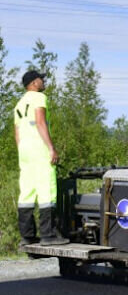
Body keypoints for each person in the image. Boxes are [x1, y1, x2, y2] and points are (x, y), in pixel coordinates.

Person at [15, 70, 67, 247]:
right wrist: (51, 148)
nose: (43, 81)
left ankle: (27, 236)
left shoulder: (19, 104)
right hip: (39, 148)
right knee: (47, 191)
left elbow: (17, 132)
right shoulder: (38, 98)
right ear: (34, 83)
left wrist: (23, 151)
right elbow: (40, 122)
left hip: (24, 151)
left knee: (27, 192)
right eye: (41, 79)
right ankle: (48, 235)